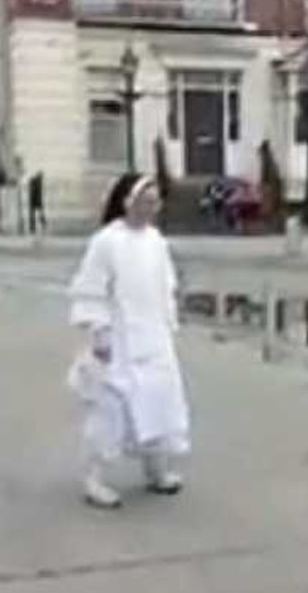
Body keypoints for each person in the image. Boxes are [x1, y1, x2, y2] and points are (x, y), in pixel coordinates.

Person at [66, 173, 190, 509]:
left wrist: (169, 322)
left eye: (155, 201)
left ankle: (156, 469)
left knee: (158, 402)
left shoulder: (156, 241)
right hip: (119, 341)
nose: (152, 208)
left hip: (153, 339)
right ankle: (95, 478)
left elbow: (166, 287)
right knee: (112, 410)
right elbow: (91, 288)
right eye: (145, 201)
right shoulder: (107, 242)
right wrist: (100, 331)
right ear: (127, 201)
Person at [28, 170, 47, 235]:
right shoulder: (37, 181)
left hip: (34, 200)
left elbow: (35, 192)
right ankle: (40, 224)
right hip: (35, 200)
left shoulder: (35, 181)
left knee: (35, 214)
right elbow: (36, 192)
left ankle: (34, 226)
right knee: (38, 213)